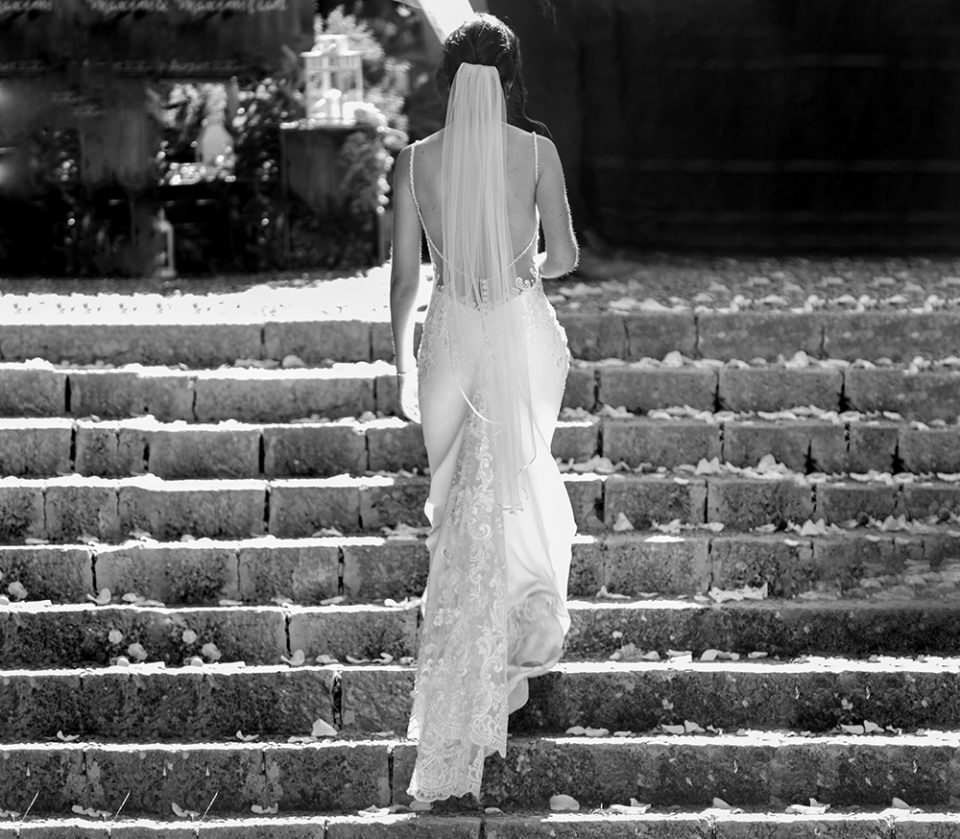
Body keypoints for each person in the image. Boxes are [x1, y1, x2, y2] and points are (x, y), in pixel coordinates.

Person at [389, 13, 580, 804]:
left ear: (446, 80)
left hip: (450, 338)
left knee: (457, 505)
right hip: (518, 322)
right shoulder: (536, 152)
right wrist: (518, 269)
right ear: (509, 80)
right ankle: (517, 637)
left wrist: (399, 358)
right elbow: (564, 257)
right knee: (514, 488)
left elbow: (406, 277)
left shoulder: (414, 162)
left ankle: (469, 668)